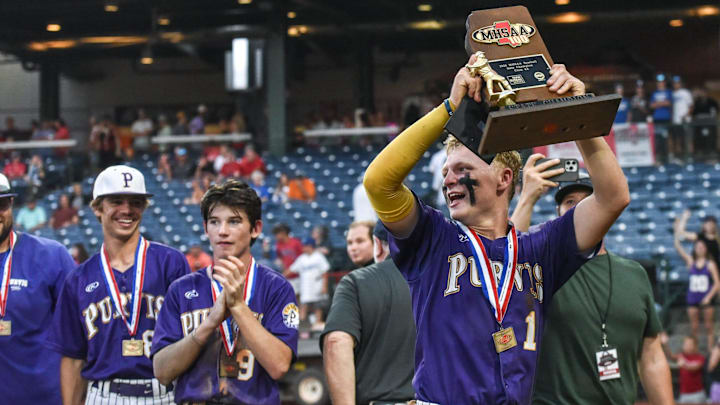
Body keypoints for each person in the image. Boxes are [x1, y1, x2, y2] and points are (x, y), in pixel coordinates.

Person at [362, 55, 630, 404]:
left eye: (461, 168)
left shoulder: (540, 248)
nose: (448, 180)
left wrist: (576, 115)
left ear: (504, 178)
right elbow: (378, 183)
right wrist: (449, 108)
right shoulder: (433, 237)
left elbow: (614, 197)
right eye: (445, 172)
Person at [510, 159, 673, 404]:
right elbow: (507, 261)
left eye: (588, 202)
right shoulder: (541, 266)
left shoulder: (635, 273)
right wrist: (527, 198)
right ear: (558, 214)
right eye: (569, 203)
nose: (577, 209)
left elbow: (651, 354)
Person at [46, 165, 190, 404]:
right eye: (116, 201)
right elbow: (72, 359)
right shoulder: (79, 278)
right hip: (103, 395)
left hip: (165, 393)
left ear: (144, 207)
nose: (127, 210)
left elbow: (192, 339)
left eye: (135, 202)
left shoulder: (171, 263)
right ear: (97, 209)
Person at [151, 179, 298, 404]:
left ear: (255, 229)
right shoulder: (181, 290)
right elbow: (161, 371)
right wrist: (209, 322)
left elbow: (279, 366)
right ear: (205, 228)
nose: (222, 231)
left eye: (234, 221)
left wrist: (238, 307)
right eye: (214, 222)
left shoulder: (277, 288)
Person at [0, 173, 77, 404]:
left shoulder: (51, 256)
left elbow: (79, 334)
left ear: (11, 204)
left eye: (0, 204)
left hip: (43, 396)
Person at [322, 221, 415, 405]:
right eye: (349, 242)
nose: (353, 248)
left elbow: (336, 342)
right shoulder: (445, 282)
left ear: (377, 245)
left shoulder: (356, 282)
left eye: (359, 241)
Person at [674, 231, 719, 350]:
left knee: (709, 326)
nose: (699, 249)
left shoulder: (710, 264)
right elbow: (679, 248)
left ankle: (710, 350)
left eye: (702, 247)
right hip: (692, 298)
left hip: (706, 298)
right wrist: (676, 233)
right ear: (694, 249)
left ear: (706, 249)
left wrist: (708, 297)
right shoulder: (691, 262)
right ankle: (695, 350)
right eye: (697, 247)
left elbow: (717, 283)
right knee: (694, 327)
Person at [289, 237, 330, 332]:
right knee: (304, 306)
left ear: (310, 246)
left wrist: (324, 286)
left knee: (317, 307)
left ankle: (317, 327)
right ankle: (302, 327)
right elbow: (291, 269)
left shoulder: (319, 257)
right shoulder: (302, 258)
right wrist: (280, 276)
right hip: (305, 287)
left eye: (305, 246)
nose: (303, 248)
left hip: (316, 285)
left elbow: (325, 272)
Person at [662, 335, 706, 403]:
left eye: (689, 344)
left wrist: (684, 364)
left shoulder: (700, 357)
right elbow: (670, 356)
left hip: (697, 394)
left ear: (695, 346)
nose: (686, 346)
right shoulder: (681, 356)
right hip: (684, 394)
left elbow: (694, 368)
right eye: (685, 344)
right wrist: (665, 344)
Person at [650, 74, 675, 161]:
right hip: (657, 118)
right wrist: (662, 103)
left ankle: (669, 155)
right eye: (658, 82)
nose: (660, 83)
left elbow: (669, 103)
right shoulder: (654, 93)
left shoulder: (669, 92)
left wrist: (658, 103)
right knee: (658, 138)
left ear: (664, 83)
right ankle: (659, 156)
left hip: (666, 117)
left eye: (661, 82)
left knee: (667, 137)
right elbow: (652, 105)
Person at [272, 223, 303, 291]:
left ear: (283, 233)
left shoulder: (296, 242)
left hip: (299, 275)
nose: (275, 236)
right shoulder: (278, 245)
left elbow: (302, 258)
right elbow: (280, 258)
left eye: (277, 233)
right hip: (288, 276)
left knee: (300, 298)